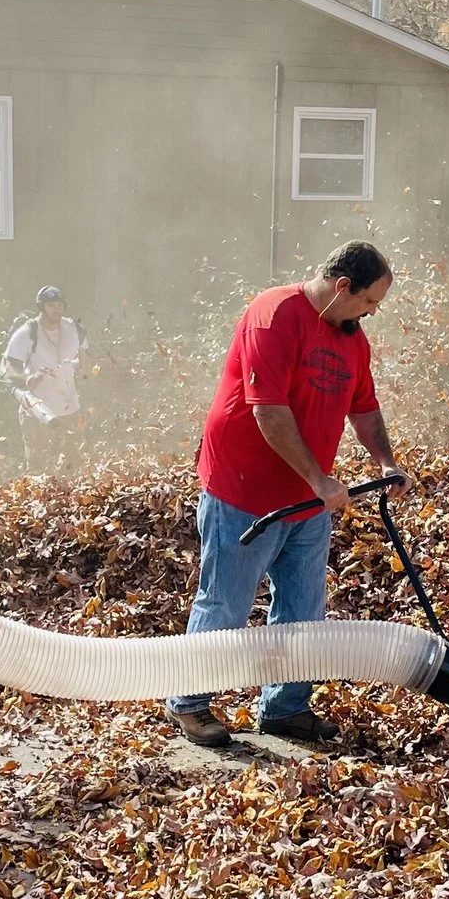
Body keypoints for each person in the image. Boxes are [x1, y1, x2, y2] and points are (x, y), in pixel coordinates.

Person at [167, 241, 406, 748]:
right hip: (243, 490)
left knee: (303, 611)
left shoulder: (351, 339)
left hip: (308, 499)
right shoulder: (274, 315)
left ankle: (284, 709)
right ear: (342, 287)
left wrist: (386, 462)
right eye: (369, 302)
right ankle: (189, 703)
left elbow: (363, 407)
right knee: (226, 606)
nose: (371, 313)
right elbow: (268, 410)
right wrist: (321, 481)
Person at [0, 286, 84, 474]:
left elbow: (86, 356)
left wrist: (86, 372)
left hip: (70, 408)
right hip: (37, 412)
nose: (57, 309)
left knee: (72, 463)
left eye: (60, 305)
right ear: (41, 307)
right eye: (51, 305)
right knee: (37, 467)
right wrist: (28, 378)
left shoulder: (74, 329)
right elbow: (9, 368)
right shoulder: (27, 332)